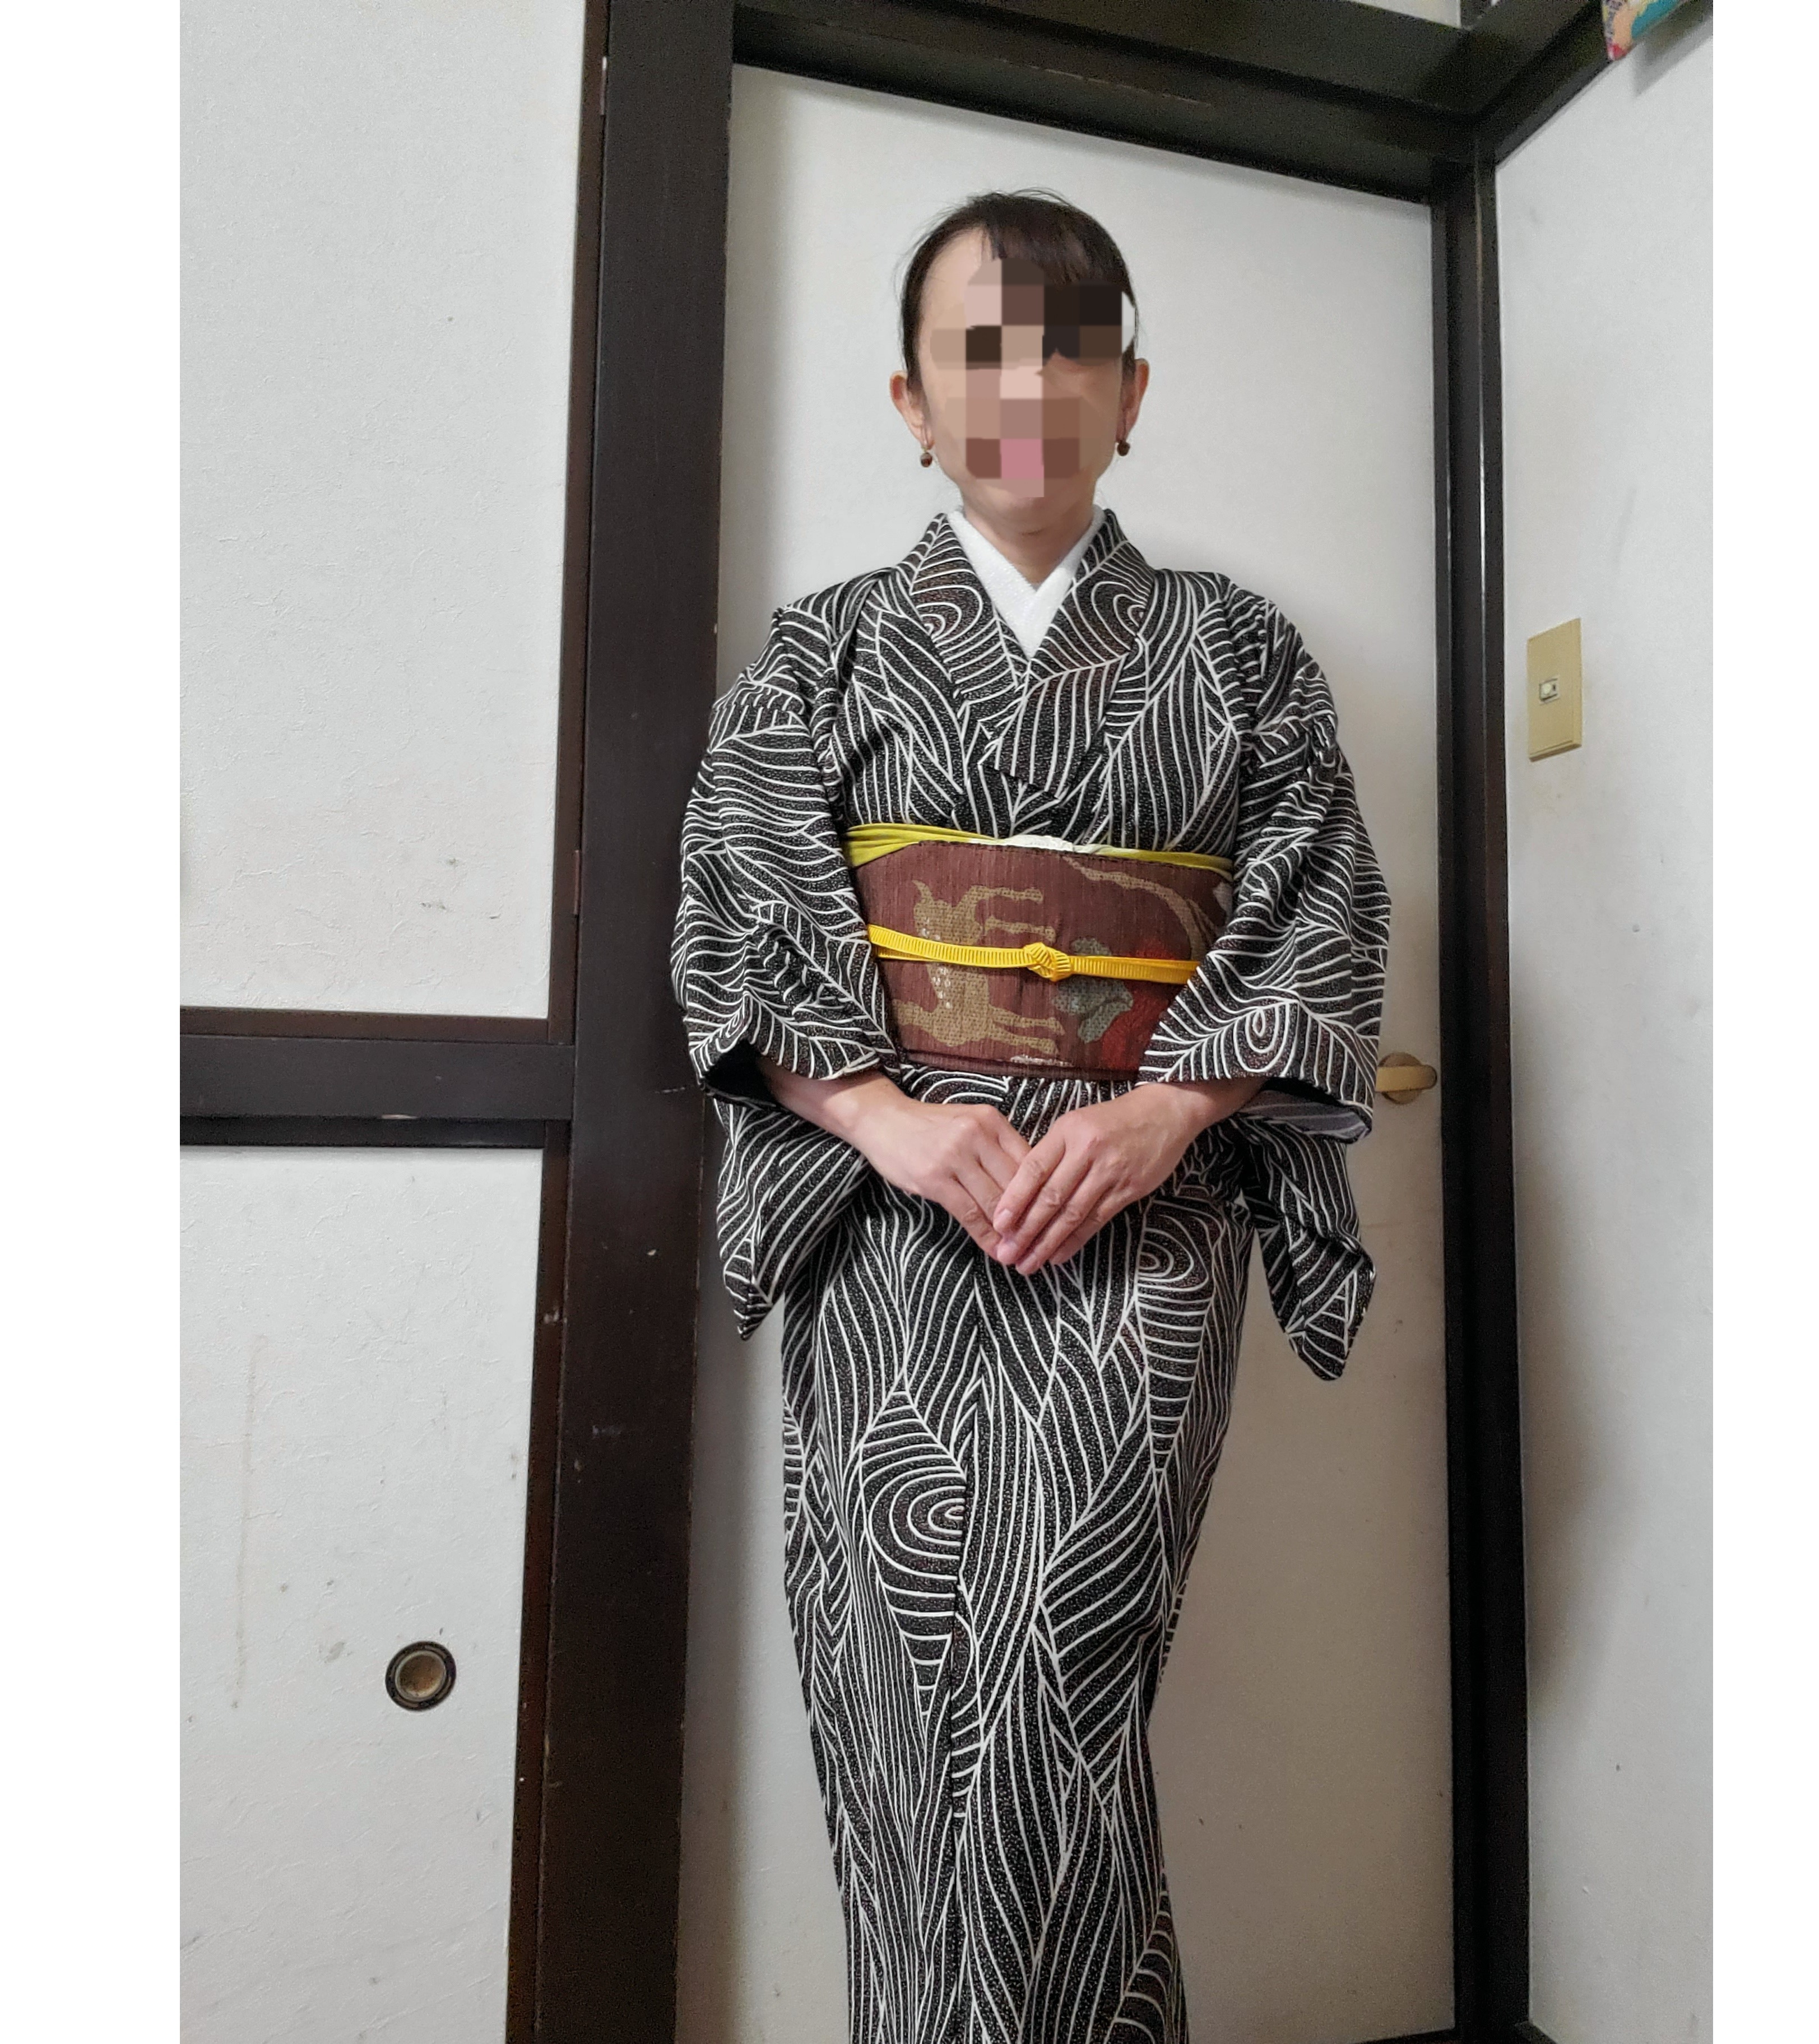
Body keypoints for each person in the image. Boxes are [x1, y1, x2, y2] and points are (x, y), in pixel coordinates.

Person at [671, 189, 1390, 2044]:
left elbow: (1315, 907)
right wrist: (888, 1123)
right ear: (911, 402)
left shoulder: (1241, 653)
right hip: (895, 1230)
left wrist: (1170, 1113)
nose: (1024, 387)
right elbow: (739, 918)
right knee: (898, 1677)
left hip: (1143, 1231)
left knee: (1066, 1668)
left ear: (1130, 391)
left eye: (1070, 347)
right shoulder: (821, 653)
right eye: (977, 352)